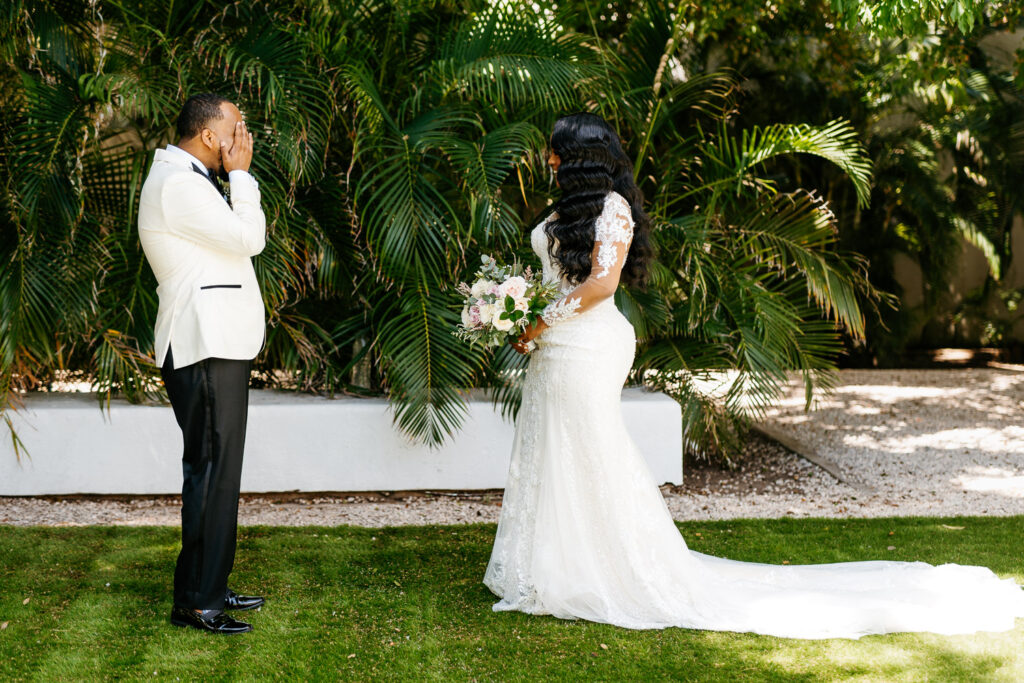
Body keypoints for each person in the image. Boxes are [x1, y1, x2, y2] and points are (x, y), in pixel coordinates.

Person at [484, 111, 1024, 638]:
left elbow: (602, 287)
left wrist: (534, 325)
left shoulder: (613, 209)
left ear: (577, 157)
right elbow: (561, 279)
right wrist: (517, 308)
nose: (548, 156)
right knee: (554, 443)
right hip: (557, 343)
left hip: (591, 343)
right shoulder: (566, 211)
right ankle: (555, 562)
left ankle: (610, 566)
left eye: (556, 148)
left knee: (591, 446)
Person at [138, 93, 267, 635]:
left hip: (216, 342)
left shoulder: (185, 179)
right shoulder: (178, 184)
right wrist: (242, 177)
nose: (244, 139)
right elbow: (249, 238)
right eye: (237, 129)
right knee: (212, 473)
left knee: (217, 473)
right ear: (211, 136)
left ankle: (209, 584)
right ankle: (197, 600)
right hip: (203, 343)